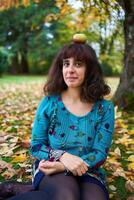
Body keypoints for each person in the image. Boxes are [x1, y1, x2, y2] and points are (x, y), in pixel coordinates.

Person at [7, 33, 114, 200]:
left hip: (88, 170)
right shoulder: (50, 103)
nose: (70, 70)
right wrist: (62, 157)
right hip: (50, 167)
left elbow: (99, 153)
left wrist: (63, 166)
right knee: (67, 196)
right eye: (66, 64)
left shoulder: (105, 109)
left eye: (78, 64)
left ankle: (21, 191)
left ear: (90, 69)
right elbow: (36, 146)